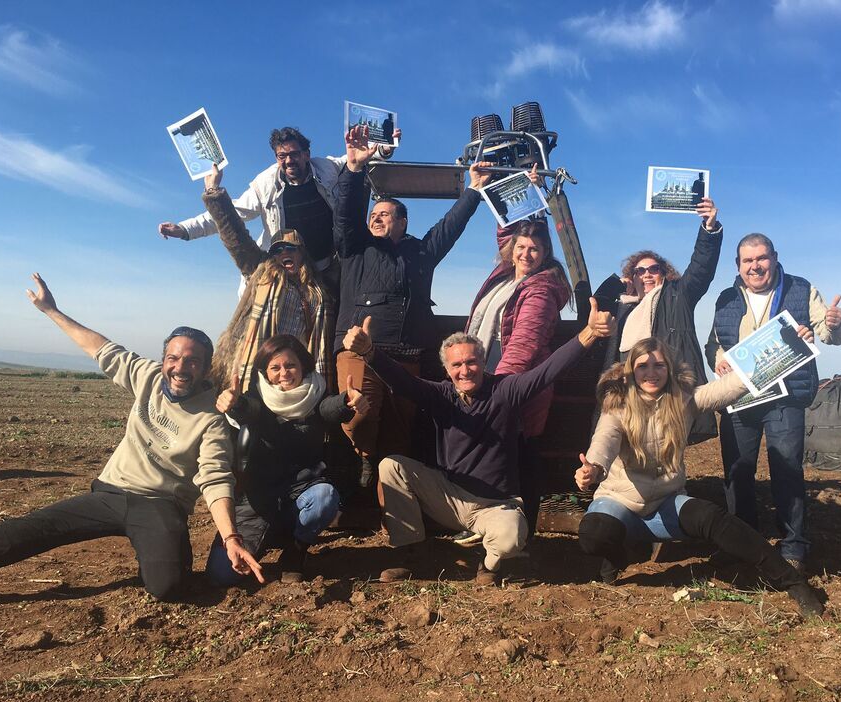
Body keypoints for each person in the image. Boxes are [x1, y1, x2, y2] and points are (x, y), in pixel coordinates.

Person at [0, 275, 263, 600]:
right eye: (173, 358)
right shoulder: (147, 376)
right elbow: (100, 348)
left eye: (192, 361)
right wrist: (51, 310)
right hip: (111, 492)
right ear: (163, 361)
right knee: (31, 528)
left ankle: (163, 546)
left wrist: (230, 537)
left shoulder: (211, 418)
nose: (180, 367)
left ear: (204, 369)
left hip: (160, 503)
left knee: (167, 586)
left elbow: (216, 478)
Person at [341, 299, 617, 585]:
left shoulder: (506, 390)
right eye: (456, 364)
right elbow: (402, 382)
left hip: (494, 504)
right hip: (448, 496)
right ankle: (409, 554)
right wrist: (369, 352)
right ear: (447, 369)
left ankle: (489, 566)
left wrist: (590, 333)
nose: (465, 370)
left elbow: (547, 371)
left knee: (510, 537)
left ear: (484, 362)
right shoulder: (440, 395)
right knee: (391, 466)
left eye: (471, 362)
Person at [575, 337, 824, 616]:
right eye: (643, 366)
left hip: (664, 504)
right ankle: (620, 554)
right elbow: (604, 441)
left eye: (659, 365)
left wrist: (788, 348)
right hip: (619, 502)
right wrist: (594, 468)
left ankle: (792, 582)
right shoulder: (617, 407)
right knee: (594, 534)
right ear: (631, 371)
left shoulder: (684, 400)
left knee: (713, 518)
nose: (651, 372)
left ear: (669, 369)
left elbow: (729, 386)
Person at [334, 124, 491, 487]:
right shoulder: (355, 247)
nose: (376, 217)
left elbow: (449, 227)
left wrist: (473, 192)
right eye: (374, 214)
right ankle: (364, 458)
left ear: (403, 222)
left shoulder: (421, 253)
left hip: (405, 355)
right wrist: (354, 169)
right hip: (358, 350)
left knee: (400, 433)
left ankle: (390, 498)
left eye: (385, 214)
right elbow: (345, 214)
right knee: (358, 414)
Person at [705, 233, 841, 571]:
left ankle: (793, 548)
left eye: (761, 258)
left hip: (785, 398)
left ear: (774, 257)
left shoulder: (801, 289)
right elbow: (714, 342)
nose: (755, 266)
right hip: (738, 398)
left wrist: (833, 325)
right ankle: (744, 543)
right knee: (737, 472)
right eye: (747, 261)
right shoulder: (726, 298)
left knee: (786, 471)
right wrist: (719, 360)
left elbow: (827, 334)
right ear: (738, 266)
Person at [208, 335, 368, 585]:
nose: (284, 373)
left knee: (325, 497)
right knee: (222, 574)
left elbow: (329, 409)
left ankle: (296, 548)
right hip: (259, 501)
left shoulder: (315, 393)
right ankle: (268, 536)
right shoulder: (258, 397)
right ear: (265, 371)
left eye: (290, 365)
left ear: (302, 366)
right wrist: (234, 403)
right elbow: (249, 409)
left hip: (302, 492)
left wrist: (347, 401)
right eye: (275, 367)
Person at [158, 126, 399, 282]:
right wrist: (186, 229)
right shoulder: (265, 184)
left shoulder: (326, 168)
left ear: (306, 154)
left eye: (294, 154)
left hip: (327, 268)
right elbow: (234, 213)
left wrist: (385, 149)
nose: (288, 161)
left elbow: (356, 157)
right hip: (286, 272)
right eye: (282, 156)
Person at [460, 215, 572, 539]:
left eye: (534, 248)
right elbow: (506, 227)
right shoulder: (507, 274)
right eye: (521, 247)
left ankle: (519, 538)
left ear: (546, 252)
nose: (525, 253)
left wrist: (493, 395)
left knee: (519, 459)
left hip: (517, 387)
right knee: (499, 456)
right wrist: (525, 188)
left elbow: (523, 345)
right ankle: (489, 528)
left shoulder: (541, 289)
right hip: (490, 374)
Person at [593, 198, 722, 444]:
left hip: (669, 388)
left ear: (664, 273)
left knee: (668, 448)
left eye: (653, 269)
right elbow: (594, 303)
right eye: (639, 271)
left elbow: (701, 269)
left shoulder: (678, 295)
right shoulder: (624, 309)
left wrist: (709, 229)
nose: (647, 275)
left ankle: (672, 484)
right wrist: (616, 284)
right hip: (631, 389)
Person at [203, 166, 334, 393]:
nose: (284, 253)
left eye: (291, 248)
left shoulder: (318, 291)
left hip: (295, 372)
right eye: (278, 249)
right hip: (257, 365)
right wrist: (214, 192)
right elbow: (236, 237)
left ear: (302, 253)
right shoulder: (262, 273)